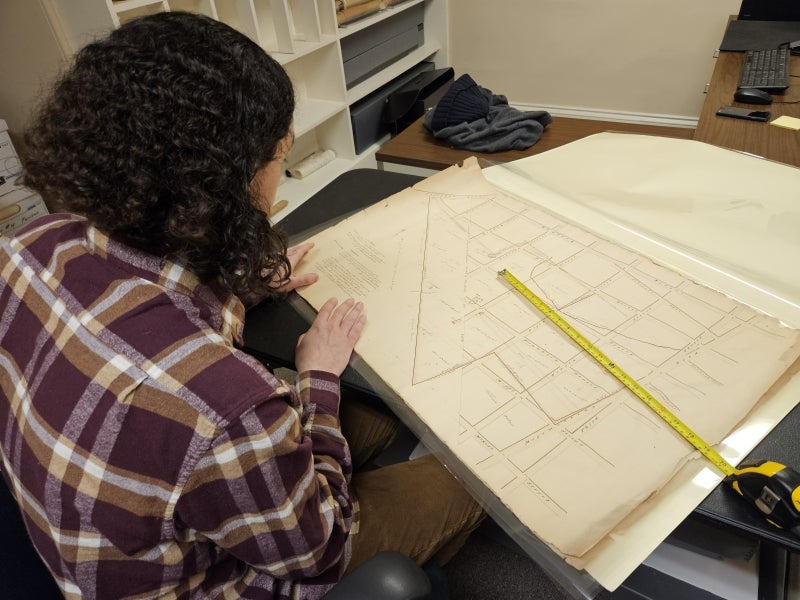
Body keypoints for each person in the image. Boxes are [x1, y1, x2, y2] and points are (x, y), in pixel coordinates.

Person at [0, 11, 485, 600]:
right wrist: (318, 378)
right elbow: (319, 549)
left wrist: (235, 280)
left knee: (378, 421)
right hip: (239, 576)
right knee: (470, 469)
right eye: (281, 156)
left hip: (90, 543)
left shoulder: (29, 247)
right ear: (230, 183)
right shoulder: (228, 410)